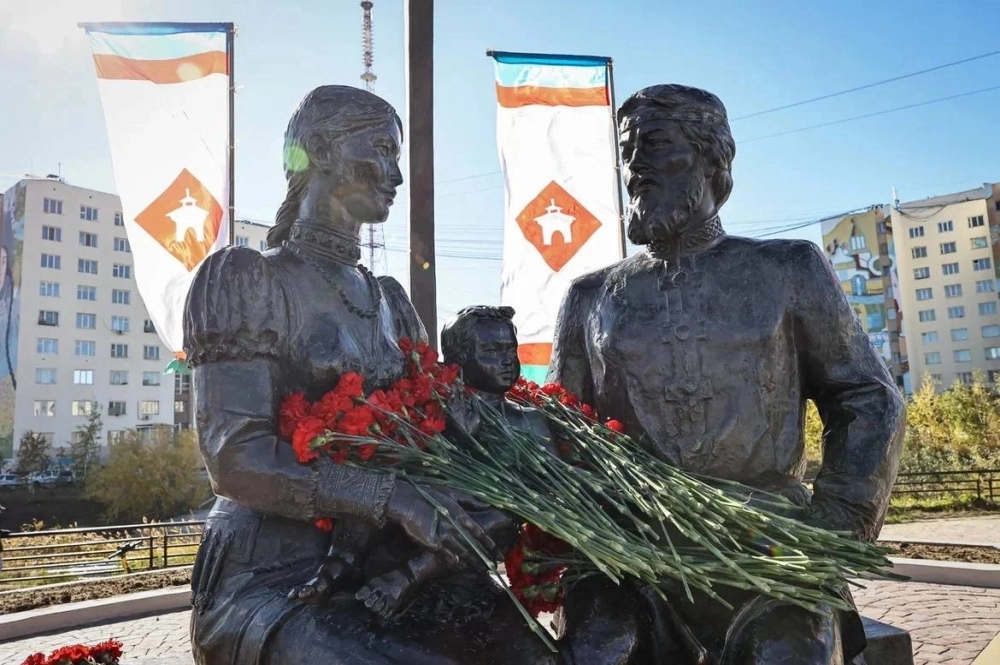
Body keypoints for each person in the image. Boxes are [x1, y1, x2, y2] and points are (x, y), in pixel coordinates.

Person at [185, 86, 559, 664]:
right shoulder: (245, 279)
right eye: (382, 150)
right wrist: (393, 497)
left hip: (392, 563)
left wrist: (547, 453)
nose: (395, 175)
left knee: (535, 656)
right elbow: (235, 458)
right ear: (320, 151)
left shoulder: (390, 300)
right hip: (273, 573)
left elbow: (435, 428)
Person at [548, 85, 906, 664]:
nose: (634, 168)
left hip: (770, 550)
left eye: (655, 146)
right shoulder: (589, 297)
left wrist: (835, 528)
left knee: (788, 656)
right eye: (627, 152)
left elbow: (867, 398)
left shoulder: (787, 268)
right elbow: (560, 429)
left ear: (714, 158)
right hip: (635, 559)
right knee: (602, 652)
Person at [289, 305, 555, 620]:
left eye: (510, 348)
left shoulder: (531, 422)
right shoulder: (429, 411)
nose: (507, 359)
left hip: (477, 532)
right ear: (457, 361)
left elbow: (547, 495)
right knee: (380, 476)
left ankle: (407, 578)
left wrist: (476, 446)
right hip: (417, 519)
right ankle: (340, 565)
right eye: (491, 350)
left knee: (499, 517)